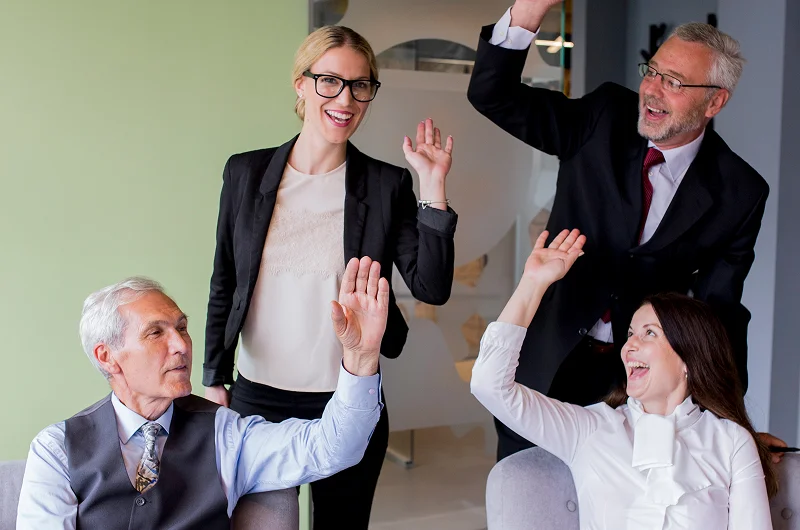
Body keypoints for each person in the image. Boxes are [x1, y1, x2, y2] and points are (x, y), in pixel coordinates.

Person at [467, 0, 779, 460]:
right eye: (652, 72)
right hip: (544, 367)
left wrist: (734, 428)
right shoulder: (604, 115)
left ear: (715, 101)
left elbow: (720, 313)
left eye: (674, 82)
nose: (652, 90)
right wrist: (530, 10)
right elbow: (493, 95)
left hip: (638, 393)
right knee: (523, 492)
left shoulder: (740, 190)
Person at [202, 25, 457, 528]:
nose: (346, 99)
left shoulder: (386, 185)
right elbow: (224, 281)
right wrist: (213, 377)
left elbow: (431, 286)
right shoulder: (245, 173)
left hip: (346, 398)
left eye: (361, 85)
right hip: (256, 398)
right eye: (330, 81)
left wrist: (433, 187)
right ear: (301, 84)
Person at [16, 258, 386, 530]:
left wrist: (362, 356)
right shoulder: (56, 450)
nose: (181, 345)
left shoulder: (226, 433)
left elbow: (332, 447)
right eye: (156, 333)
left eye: (181, 328)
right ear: (107, 356)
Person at [471, 228, 776, 529]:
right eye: (629, 334)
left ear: (689, 358)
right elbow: (490, 386)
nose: (629, 346)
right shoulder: (589, 429)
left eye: (649, 333)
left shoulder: (732, 442)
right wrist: (532, 284)